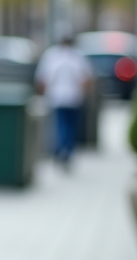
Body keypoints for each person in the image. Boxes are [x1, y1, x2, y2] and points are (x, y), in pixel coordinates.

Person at [35, 35, 94, 166]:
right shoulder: (77, 56)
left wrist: (42, 94)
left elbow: (42, 78)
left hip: (57, 96)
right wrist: (85, 93)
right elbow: (86, 78)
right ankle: (66, 149)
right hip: (73, 97)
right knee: (70, 125)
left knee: (61, 123)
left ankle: (61, 149)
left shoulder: (52, 55)